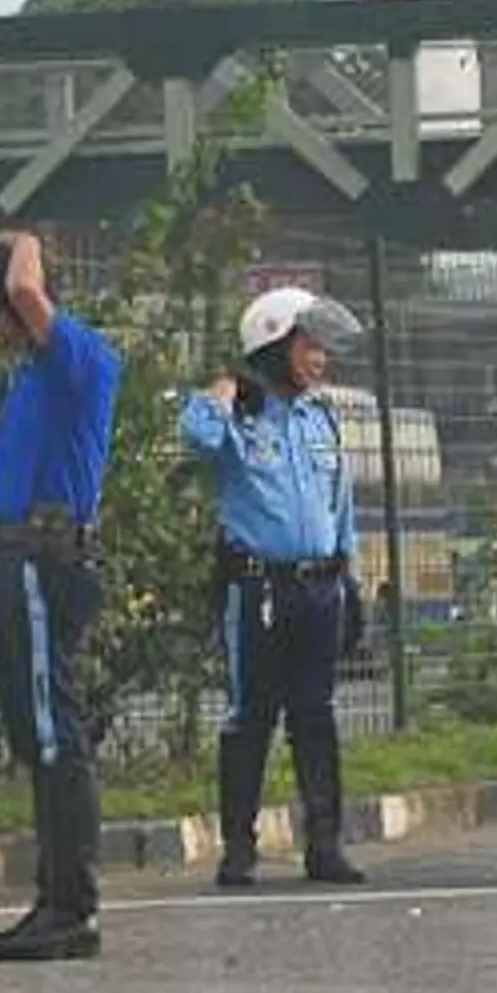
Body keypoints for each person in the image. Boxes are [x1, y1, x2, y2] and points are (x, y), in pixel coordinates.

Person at [0, 225, 125, 962]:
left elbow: (27, 285)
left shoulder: (77, 355)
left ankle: (71, 908)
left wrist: (23, 238)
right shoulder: (27, 376)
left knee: (56, 731)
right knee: (35, 733)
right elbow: (35, 453)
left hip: (42, 560)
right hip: (11, 557)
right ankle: (51, 898)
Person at [179, 287, 372, 889]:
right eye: (309, 346)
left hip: (321, 587)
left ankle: (326, 844)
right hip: (257, 589)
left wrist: (352, 577)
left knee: (317, 714)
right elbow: (197, 438)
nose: (320, 359)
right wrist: (222, 392)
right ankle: (239, 848)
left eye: (322, 348)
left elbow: (340, 503)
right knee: (251, 715)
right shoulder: (239, 416)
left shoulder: (321, 417)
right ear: (272, 343)